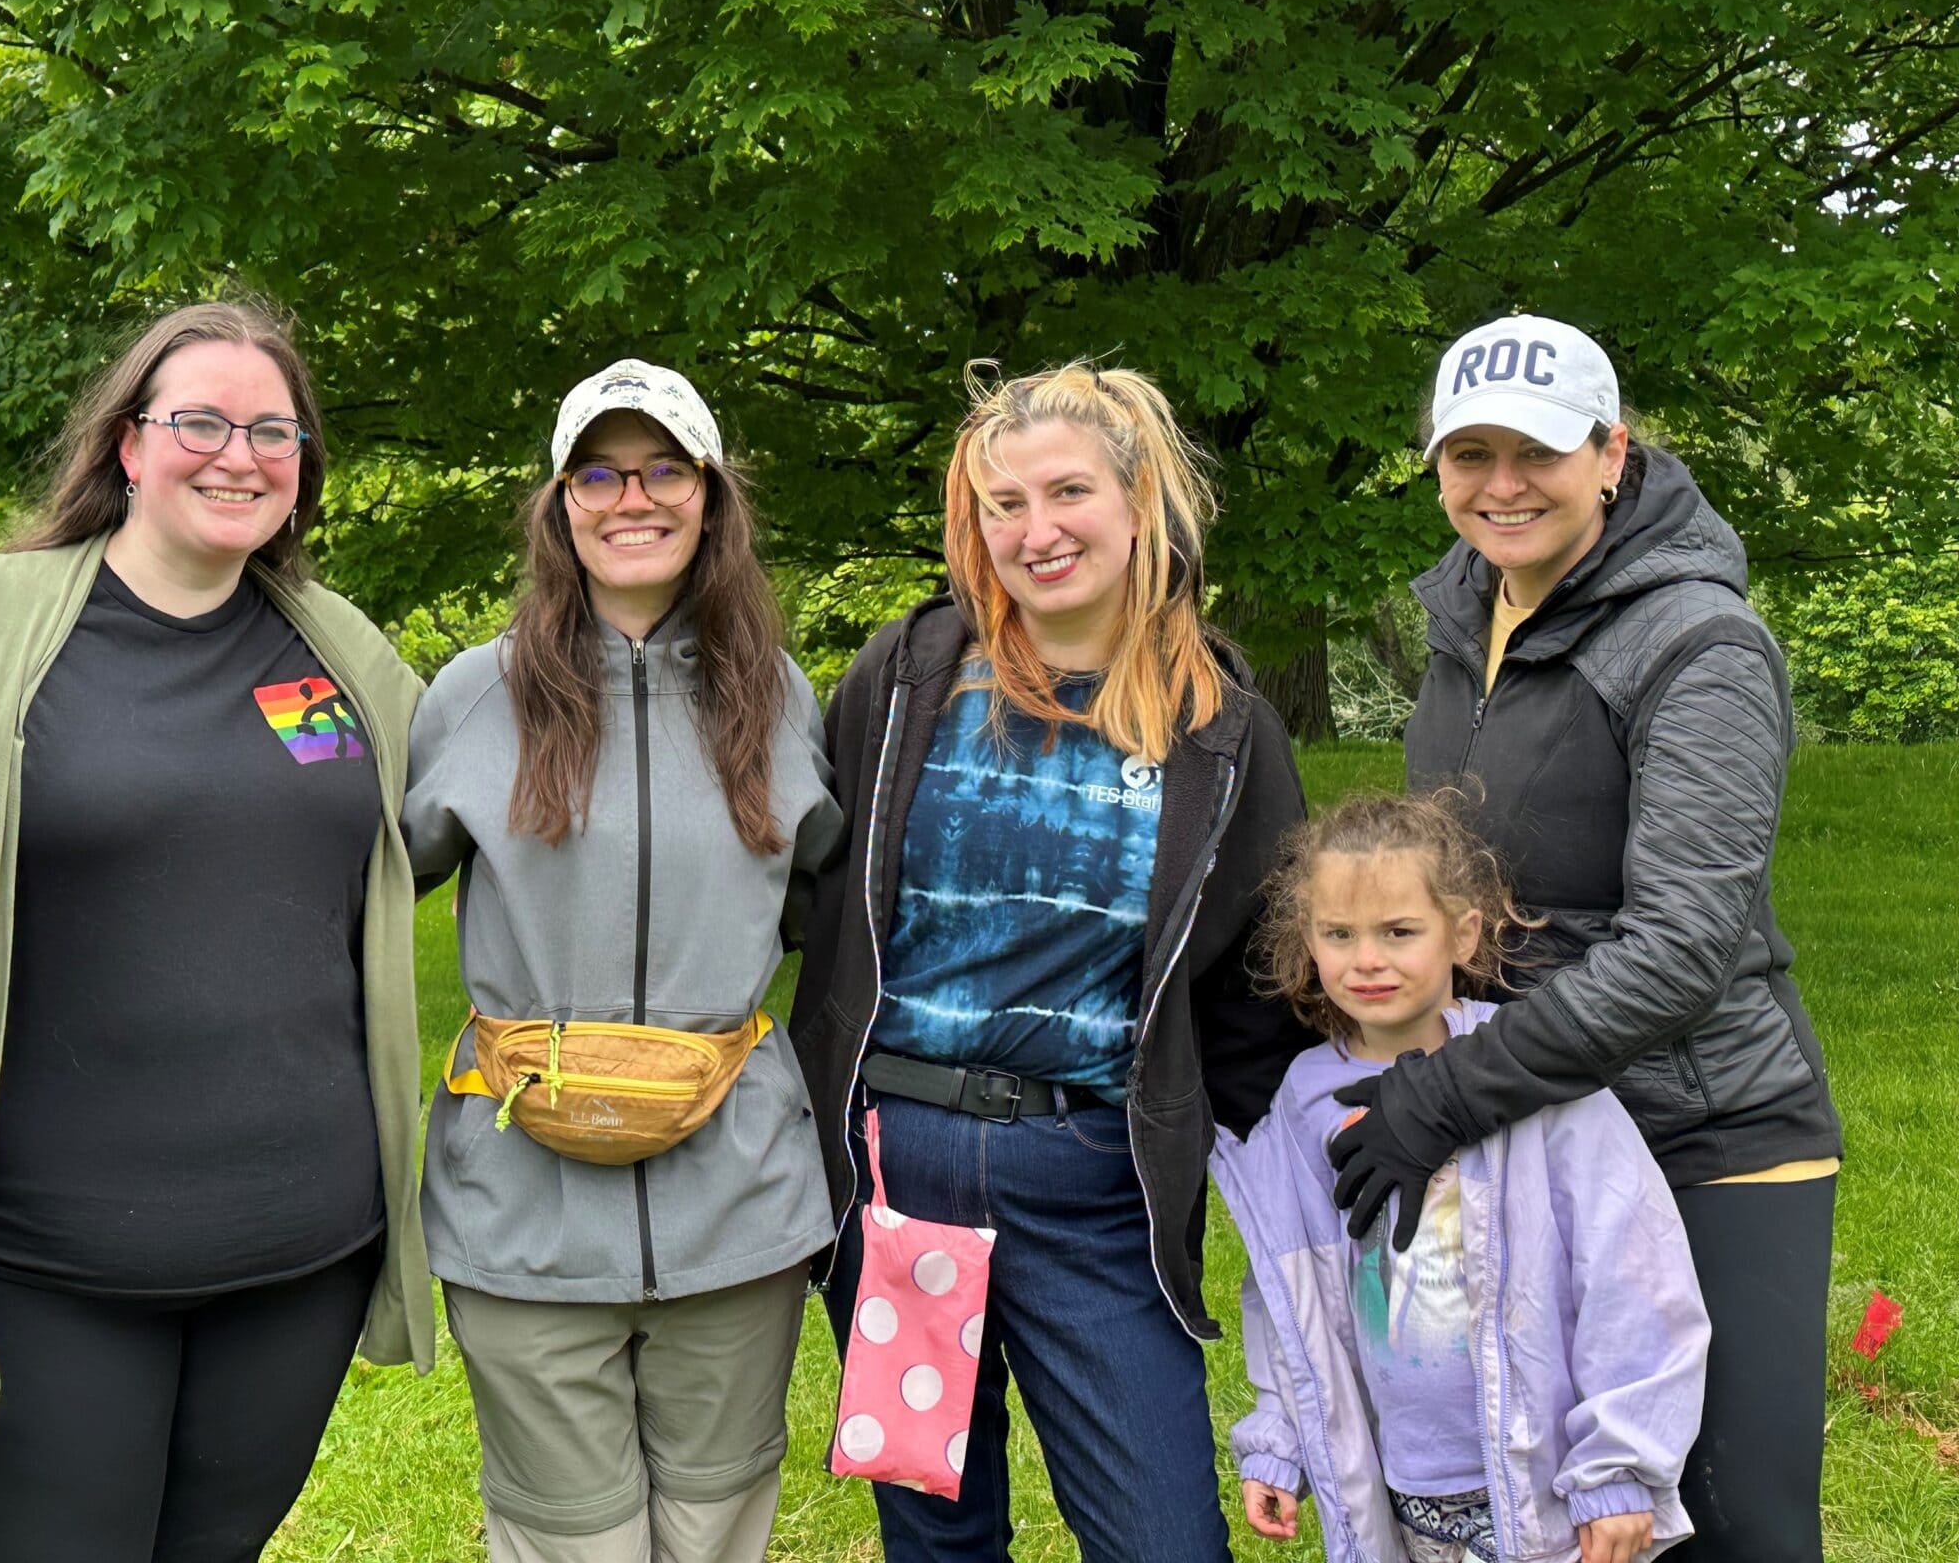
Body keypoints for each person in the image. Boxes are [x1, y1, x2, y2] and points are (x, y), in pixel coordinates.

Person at [0, 301, 435, 1563]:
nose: (240, 455)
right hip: (45, 1271)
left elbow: (451, 821)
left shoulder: (330, 653)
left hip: (299, 1259)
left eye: (273, 431)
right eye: (200, 422)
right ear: (127, 443)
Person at [1323, 315, 1840, 1563]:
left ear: (1610, 455)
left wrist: (1446, 1091)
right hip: (1533, 1130)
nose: (1501, 485)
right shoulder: (1462, 626)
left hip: (1703, 1136)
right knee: (1551, 1509)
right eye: (1470, 455)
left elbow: (1681, 946)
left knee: (1736, 1529)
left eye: (1539, 452)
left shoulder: (1700, 644)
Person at [791, 362, 1310, 1562]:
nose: (1037, 531)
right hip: (901, 1169)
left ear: (1138, 504)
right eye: (1003, 504)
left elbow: (1258, 976)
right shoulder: (907, 676)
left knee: (1163, 1541)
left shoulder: (1219, 721)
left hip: (1093, 1180)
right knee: (938, 1538)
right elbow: (814, 894)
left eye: (1068, 492)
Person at [401, 359, 842, 1563]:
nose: (631, 498)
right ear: (560, 504)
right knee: (572, 1543)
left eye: (662, 470)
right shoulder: (474, 696)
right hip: (522, 1220)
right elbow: (363, 894)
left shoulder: (779, 697)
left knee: (713, 1533)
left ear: (710, 493)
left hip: (736, 1212)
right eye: (597, 474)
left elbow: (824, 908)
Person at [1218, 793, 1709, 1563]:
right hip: (1404, 1498)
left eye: (1399, 932)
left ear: (1464, 931)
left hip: (1546, 1494)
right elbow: (1291, 1291)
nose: (1366, 959)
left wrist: (1619, 1466)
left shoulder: (1529, 1075)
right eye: (1339, 934)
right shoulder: (1305, 1101)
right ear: (1307, 939)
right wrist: (1279, 1437)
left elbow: (1633, 1269)